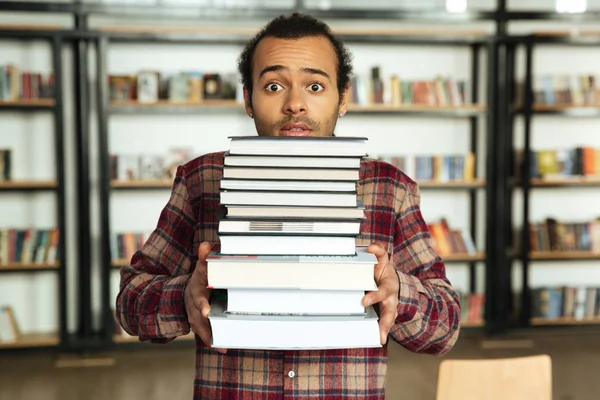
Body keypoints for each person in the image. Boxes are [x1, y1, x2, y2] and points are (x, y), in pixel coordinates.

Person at [116, 12, 461, 400]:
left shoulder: (389, 189)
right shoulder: (203, 181)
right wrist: (184, 297)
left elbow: (446, 327)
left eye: (315, 85)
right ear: (247, 98)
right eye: (274, 85)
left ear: (343, 97)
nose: (295, 104)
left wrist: (401, 292)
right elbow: (130, 303)